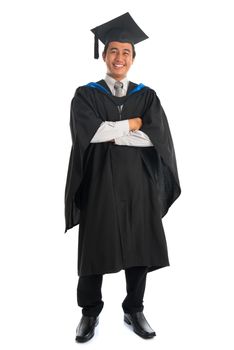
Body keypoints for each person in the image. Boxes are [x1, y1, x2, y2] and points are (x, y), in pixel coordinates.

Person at [64, 12, 181, 343]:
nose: (119, 57)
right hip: (99, 184)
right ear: (104, 55)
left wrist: (111, 132)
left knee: (140, 247)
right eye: (113, 51)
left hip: (138, 183)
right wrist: (132, 124)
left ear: (133, 58)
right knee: (94, 250)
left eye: (125, 52)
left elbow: (156, 139)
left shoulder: (147, 96)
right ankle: (89, 314)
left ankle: (134, 309)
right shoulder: (85, 95)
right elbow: (90, 134)